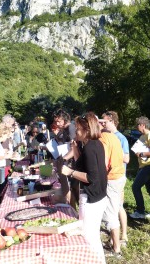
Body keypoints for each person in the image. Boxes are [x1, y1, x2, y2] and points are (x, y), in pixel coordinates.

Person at [61, 112, 107, 264]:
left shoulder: (90, 148)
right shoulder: (94, 144)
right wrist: (75, 149)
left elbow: (91, 177)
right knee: (91, 234)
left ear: (87, 130)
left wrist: (70, 172)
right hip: (98, 196)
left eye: (79, 129)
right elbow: (83, 164)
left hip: (92, 198)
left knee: (90, 237)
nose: (76, 132)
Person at [102, 111, 130, 246]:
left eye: (104, 121)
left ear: (112, 121)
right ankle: (114, 237)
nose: (102, 124)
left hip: (117, 176)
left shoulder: (121, 138)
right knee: (114, 207)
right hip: (111, 176)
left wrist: (114, 154)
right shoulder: (108, 136)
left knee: (119, 207)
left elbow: (127, 158)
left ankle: (123, 235)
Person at [99, 115, 125, 257]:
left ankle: (116, 249)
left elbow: (103, 164)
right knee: (114, 210)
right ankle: (114, 243)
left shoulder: (103, 139)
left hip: (112, 178)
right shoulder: (113, 137)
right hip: (119, 176)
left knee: (111, 214)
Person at [130, 116, 150, 219]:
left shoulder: (149, 135)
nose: (136, 127)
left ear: (142, 125)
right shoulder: (143, 135)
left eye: (137, 125)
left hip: (148, 166)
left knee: (135, 187)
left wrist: (142, 154)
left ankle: (140, 211)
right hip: (144, 165)